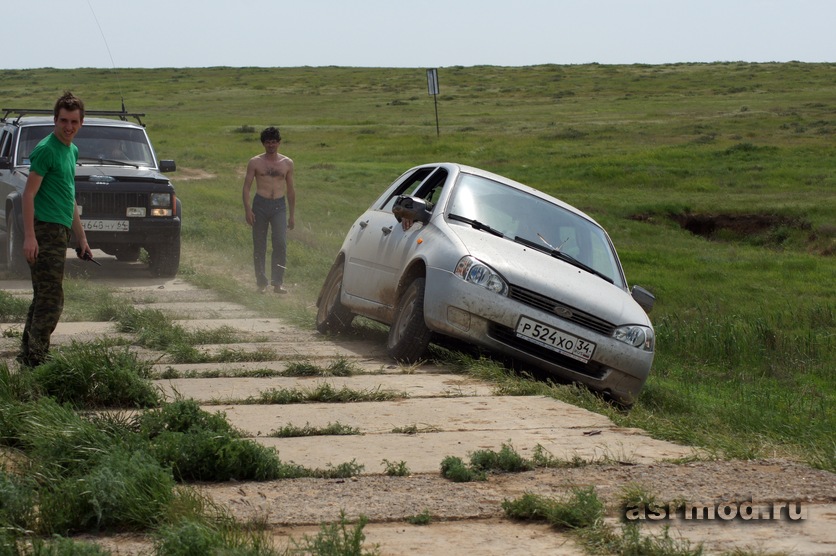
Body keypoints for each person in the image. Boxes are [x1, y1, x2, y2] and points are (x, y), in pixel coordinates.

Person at [17, 91, 93, 368]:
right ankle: (37, 362)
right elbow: (28, 195)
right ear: (55, 120)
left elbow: (68, 195)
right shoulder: (47, 149)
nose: (68, 127)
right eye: (63, 121)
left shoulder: (71, 150)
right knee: (51, 300)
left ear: (81, 123)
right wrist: (29, 236)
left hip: (60, 231)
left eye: (74, 121)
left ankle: (28, 356)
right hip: (44, 229)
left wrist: (81, 237)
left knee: (43, 297)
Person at [242, 126, 296, 294]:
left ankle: (278, 282)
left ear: (279, 143)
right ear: (263, 144)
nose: (271, 145)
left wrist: (292, 215)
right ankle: (261, 282)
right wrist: (248, 210)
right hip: (260, 205)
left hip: (279, 205)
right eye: (268, 142)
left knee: (280, 243)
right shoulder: (255, 162)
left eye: (274, 142)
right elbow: (246, 187)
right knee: (259, 244)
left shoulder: (287, 163)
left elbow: (291, 190)